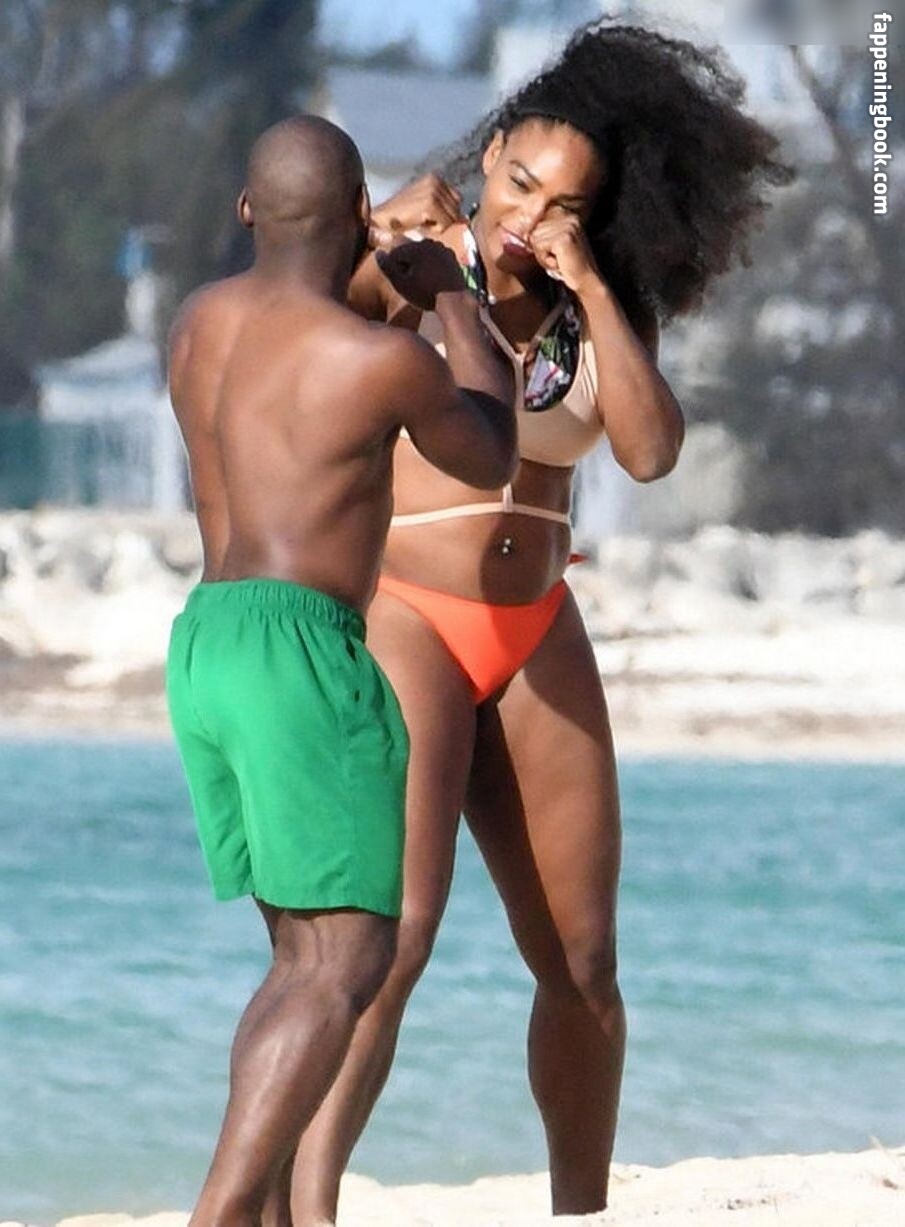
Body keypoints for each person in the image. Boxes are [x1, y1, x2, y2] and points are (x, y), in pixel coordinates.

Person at [279, 21, 794, 1225]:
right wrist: (376, 240)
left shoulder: (590, 302)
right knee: (394, 940)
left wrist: (596, 284)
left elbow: (648, 453)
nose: (527, 213)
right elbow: (302, 342)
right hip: (407, 611)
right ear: (492, 147)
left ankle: (580, 1211)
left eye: (562, 201)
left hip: (534, 625)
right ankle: (306, 1208)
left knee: (582, 963)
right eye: (517, 181)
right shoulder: (414, 256)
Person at [165, 114, 516, 1226]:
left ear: (245, 210)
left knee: (296, 961)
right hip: (300, 647)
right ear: (362, 216)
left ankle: (266, 1216)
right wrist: (451, 297)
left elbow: (298, 331)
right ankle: (223, 1214)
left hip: (206, 640)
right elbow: (490, 450)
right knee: (347, 960)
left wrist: (374, 272)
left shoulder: (197, 322)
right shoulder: (383, 362)